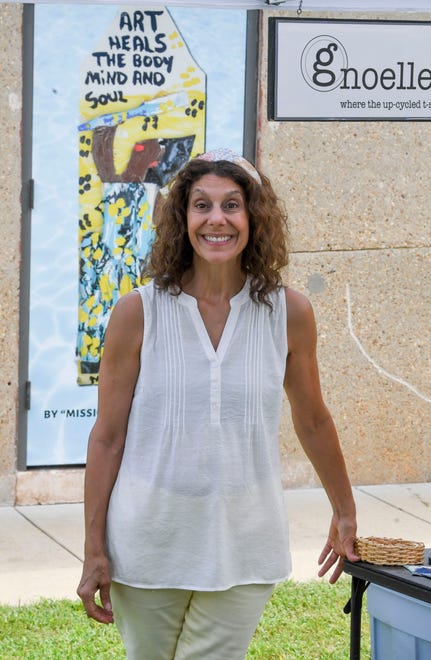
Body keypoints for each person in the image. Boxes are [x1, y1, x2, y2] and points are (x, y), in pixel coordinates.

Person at [77, 147, 359, 659]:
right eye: (202, 205)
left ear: (254, 217)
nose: (217, 219)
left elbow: (313, 419)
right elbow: (108, 436)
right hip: (147, 542)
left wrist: (345, 512)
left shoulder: (288, 313)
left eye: (232, 205)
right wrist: (93, 546)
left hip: (245, 541)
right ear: (183, 218)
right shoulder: (138, 312)